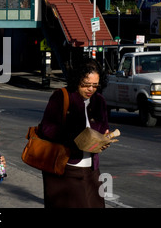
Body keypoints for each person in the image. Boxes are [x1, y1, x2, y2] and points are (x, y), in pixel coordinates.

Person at [39, 57, 110, 208]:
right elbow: (46, 128)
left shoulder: (100, 101)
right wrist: (73, 138)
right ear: (77, 80)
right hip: (66, 169)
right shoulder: (62, 96)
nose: (90, 89)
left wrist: (104, 140)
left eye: (95, 85)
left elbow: (103, 128)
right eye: (86, 85)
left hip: (91, 170)